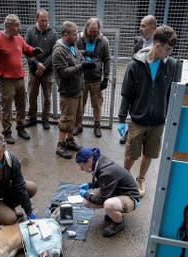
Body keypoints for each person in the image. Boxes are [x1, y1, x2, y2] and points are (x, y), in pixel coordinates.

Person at [118, 25, 181, 198]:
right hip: (138, 119)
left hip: (158, 121)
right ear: (157, 45)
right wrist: (122, 119)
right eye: (167, 49)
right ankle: (124, 178)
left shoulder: (172, 66)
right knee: (132, 153)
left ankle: (141, 178)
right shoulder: (135, 65)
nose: (169, 53)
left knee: (150, 152)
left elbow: (172, 93)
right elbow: (126, 94)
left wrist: (168, 114)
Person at [0, 14, 43, 145]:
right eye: (16, 26)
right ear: (8, 26)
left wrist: (34, 51)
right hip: (7, 80)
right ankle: (7, 132)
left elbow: (26, 49)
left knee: (21, 105)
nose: (19, 28)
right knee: (6, 107)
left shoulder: (18, 38)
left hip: (20, 78)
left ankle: (20, 127)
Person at [52, 21, 95, 159]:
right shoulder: (58, 51)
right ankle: (60, 145)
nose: (77, 36)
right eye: (75, 34)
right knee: (66, 119)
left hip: (77, 89)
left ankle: (70, 141)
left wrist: (84, 56)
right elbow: (63, 72)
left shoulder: (72, 45)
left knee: (74, 118)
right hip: (68, 92)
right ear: (65, 35)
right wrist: (82, 66)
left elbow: (76, 55)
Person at [75, 147, 140, 237]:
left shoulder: (106, 171)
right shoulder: (98, 160)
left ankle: (119, 223)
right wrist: (90, 185)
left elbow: (101, 199)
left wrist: (86, 194)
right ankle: (115, 212)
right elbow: (105, 181)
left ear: (89, 160)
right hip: (116, 190)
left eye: (82, 166)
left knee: (108, 205)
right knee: (87, 202)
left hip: (130, 197)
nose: (81, 169)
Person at [120, 15, 157, 145]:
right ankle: (129, 132)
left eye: (143, 26)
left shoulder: (159, 44)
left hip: (151, 84)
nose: (140, 28)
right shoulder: (138, 41)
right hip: (137, 82)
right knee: (133, 106)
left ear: (152, 28)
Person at [73, 18, 111, 138]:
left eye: (96, 31)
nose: (93, 34)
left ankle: (97, 126)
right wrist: (85, 53)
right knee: (80, 104)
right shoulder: (79, 39)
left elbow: (107, 59)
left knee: (97, 104)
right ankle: (78, 125)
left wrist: (106, 77)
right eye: (91, 31)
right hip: (81, 78)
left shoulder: (103, 41)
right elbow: (73, 53)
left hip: (96, 79)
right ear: (86, 28)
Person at [25, 8, 57, 130]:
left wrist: (43, 67)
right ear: (36, 19)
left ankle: (45, 119)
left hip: (47, 72)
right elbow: (26, 50)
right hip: (34, 71)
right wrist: (36, 63)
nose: (44, 23)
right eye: (41, 20)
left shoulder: (52, 33)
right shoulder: (30, 32)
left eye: (46, 20)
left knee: (47, 97)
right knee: (32, 95)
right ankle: (32, 118)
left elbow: (54, 53)